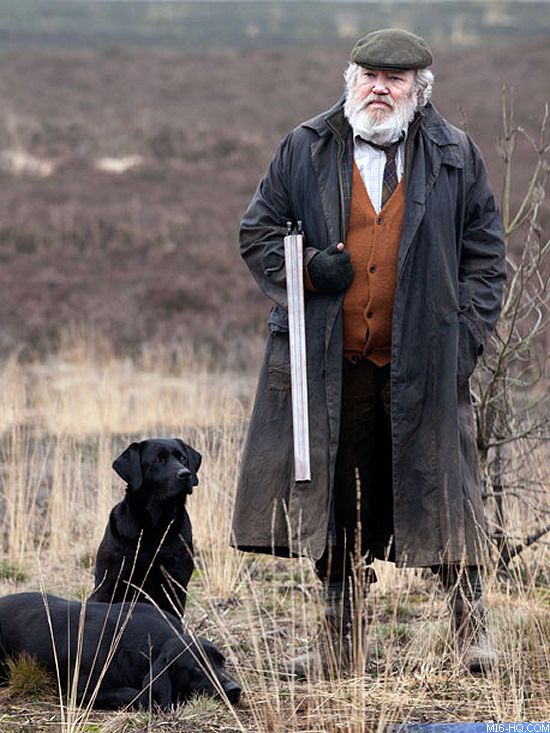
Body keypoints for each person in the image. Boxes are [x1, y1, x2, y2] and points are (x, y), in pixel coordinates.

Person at [231, 28, 506, 677]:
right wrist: (304, 270)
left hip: (426, 364)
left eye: (395, 78)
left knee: (448, 489)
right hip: (333, 364)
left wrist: (461, 338)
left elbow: (487, 257)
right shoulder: (306, 147)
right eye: (369, 75)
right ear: (350, 79)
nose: (380, 87)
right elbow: (257, 230)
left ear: (420, 89)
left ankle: (472, 633)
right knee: (337, 504)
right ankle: (339, 644)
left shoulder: (453, 155)